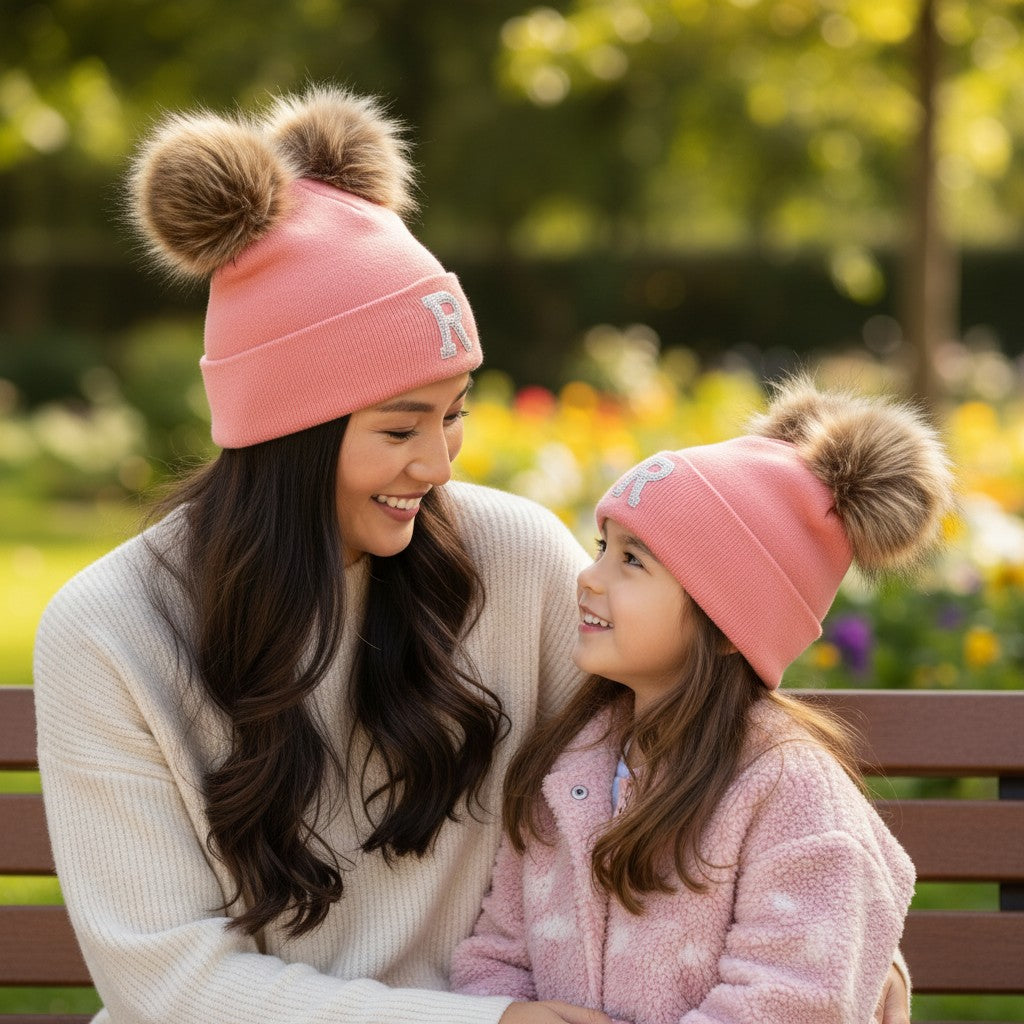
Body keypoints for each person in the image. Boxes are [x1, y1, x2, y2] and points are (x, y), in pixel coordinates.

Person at [32, 86, 911, 1024]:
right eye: (400, 428)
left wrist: (852, 970)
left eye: (454, 413)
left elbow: (705, 751)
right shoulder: (110, 631)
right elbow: (165, 982)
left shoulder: (515, 559)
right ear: (286, 433)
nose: (440, 464)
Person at [452, 377, 954, 1023]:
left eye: (632, 561)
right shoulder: (571, 766)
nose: (589, 577)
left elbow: (792, 1000)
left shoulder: (792, 793)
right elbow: (497, 955)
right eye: (604, 547)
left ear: (727, 625)